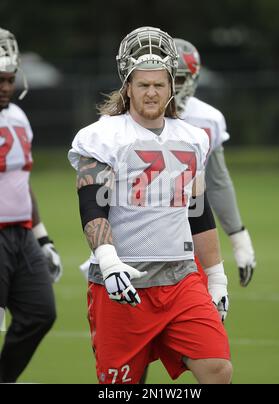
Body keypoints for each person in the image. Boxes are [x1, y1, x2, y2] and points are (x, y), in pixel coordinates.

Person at [69, 26, 232, 384]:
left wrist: (216, 276)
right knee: (121, 386)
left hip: (181, 278)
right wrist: (109, 263)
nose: (152, 92)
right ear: (128, 87)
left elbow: (198, 212)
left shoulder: (193, 138)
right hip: (124, 280)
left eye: (159, 84)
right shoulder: (103, 136)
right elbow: (92, 206)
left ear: (172, 86)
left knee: (217, 369)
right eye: (143, 85)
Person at [0, 27, 62, 383]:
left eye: (9, 78)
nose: (6, 86)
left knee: (41, 311)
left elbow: (21, 183)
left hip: (21, 235)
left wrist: (43, 238)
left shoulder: (19, 117)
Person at [174, 38, 256, 287]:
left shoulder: (207, 120)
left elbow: (216, 182)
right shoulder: (121, 121)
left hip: (192, 233)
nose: (172, 87)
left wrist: (239, 237)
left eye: (179, 78)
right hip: (136, 238)